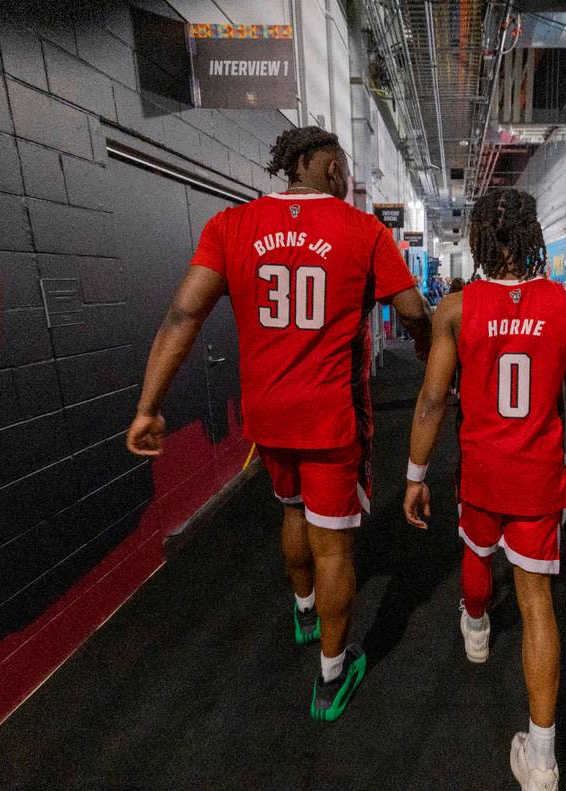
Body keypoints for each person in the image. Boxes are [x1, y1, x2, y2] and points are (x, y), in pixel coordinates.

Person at [126, 126, 432, 722]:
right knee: (335, 544)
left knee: (291, 511)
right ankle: (331, 677)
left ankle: (303, 610)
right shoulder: (363, 230)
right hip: (329, 419)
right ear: (321, 164)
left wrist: (148, 406)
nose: (346, 176)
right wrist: (424, 343)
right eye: (340, 165)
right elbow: (413, 308)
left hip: (267, 418)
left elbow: (183, 313)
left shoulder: (229, 227)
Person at [402, 190, 566, 791]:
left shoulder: (456, 309)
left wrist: (414, 474)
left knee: (476, 554)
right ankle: (541, 759)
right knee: (538, 601)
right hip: (538, 476)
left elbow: (433, 399)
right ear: (535, 236)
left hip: (483, 472)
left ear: (481, 240)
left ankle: (478, 631)